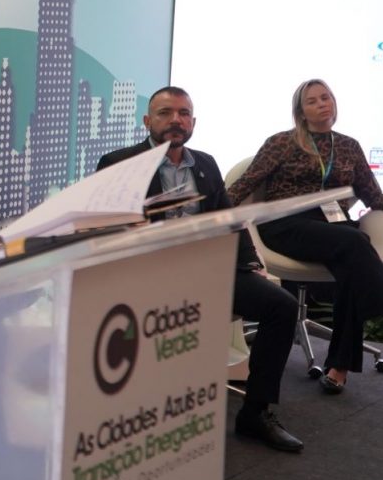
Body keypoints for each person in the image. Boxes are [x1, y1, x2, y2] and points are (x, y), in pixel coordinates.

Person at [99, 86, 302, 452]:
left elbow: (230, 222)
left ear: (193, 122)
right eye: (165, 113)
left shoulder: (206, 164)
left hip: (208, 270)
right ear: (147, 121)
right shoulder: (119, 164)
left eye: (184, 113)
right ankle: (143, 419)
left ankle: (255, 412)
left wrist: (251, 263)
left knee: (282, 305)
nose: (176, 120)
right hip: (148, 276)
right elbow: (101, 229)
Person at [228, 78, 383, 394]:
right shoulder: (282, 143)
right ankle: (379, 303)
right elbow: (244, 185)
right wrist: (215, 213)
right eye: (312, 101)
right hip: (285, 223)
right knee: (356, 243)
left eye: (325, 97)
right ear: (300, 111)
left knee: (352, 268)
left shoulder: (349, 146)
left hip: (333, 226)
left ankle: (338, 367)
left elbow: (373, 196)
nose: (321, 104)